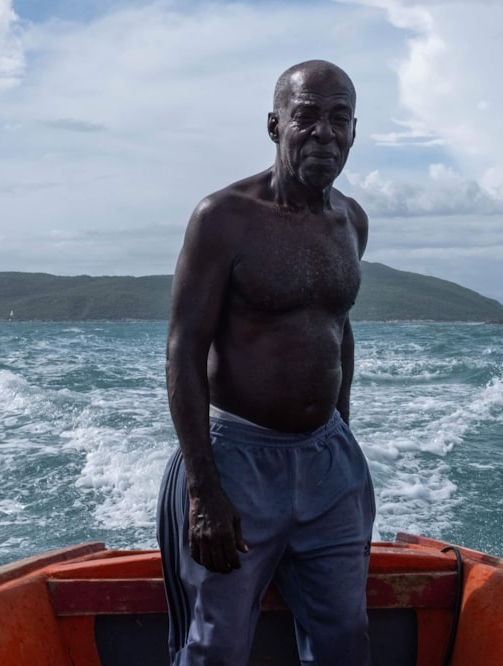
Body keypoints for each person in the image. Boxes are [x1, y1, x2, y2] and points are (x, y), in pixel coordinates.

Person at [157, 60, 375, 665]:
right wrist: (204, 490)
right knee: (217, 645)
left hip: (328, 462)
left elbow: (338, 331)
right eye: (306, 117)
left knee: (344, 641)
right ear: (275, 124)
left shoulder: (351, 221)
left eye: (339, 119)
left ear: (354, 132)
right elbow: (183, 352)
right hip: (238, 461)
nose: (324, 134)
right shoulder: (223, 218)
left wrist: (345, 444)